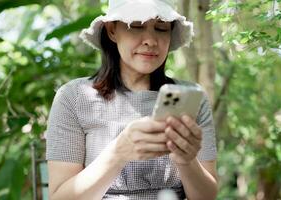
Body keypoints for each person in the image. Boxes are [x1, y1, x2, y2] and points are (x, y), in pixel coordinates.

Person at [45, 0, 218, 199]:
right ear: (112, 30)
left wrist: (187, 160)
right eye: (137, 25)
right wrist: (119, 153)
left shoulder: (191, 98)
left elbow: (207, 196)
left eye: (161, 28)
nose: (151, 41)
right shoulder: (73, 97)